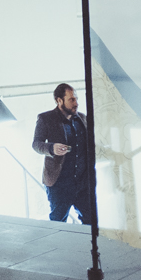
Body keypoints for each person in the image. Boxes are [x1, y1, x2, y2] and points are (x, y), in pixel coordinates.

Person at [32, 83, 95, 225]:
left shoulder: (82, 118)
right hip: (59, 185)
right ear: (59, 100)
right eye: (71, 100)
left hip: (83, 184)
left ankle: (88, 247)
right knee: (58, 223)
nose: (76, 103)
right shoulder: (45, 118)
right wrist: (51, 148)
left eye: (76, 99)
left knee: (90, 222)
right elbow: (36, 144)